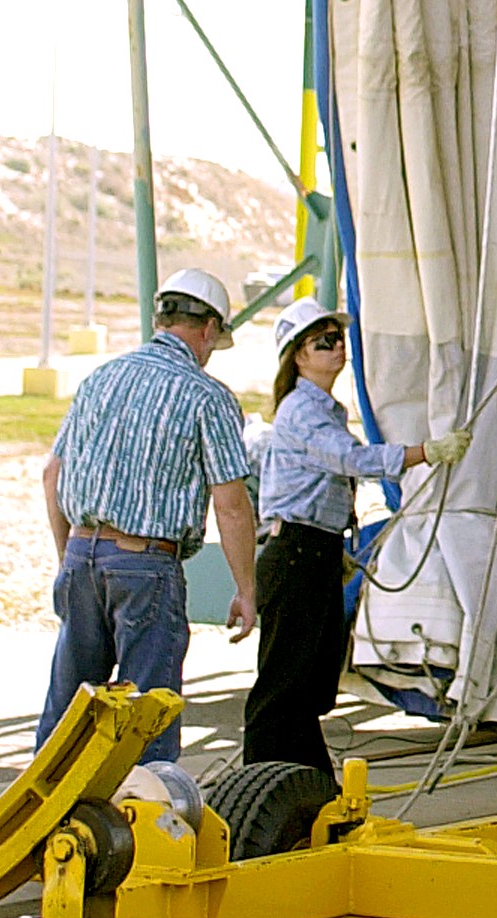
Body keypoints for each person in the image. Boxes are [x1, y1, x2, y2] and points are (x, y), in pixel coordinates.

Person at [241, 297, 472, 776]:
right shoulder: (302, 411)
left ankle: (302, 778)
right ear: (298, 356)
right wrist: (424, 452)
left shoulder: (323, 409)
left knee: (312, 680)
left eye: (339, 339)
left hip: (315, 550)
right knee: (285, 682)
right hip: (297, 551)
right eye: (324, 341)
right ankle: (259, 781)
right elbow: (351, 458)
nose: (337, 348)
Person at [37, 269, 257, 766]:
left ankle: (44, 808)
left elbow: (53, 474)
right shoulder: (207, 396)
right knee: (147, 720)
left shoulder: (100, 378)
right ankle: (143, 808)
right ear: (208, 330)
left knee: (68, 718)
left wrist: (70, 558)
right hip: (146, 563)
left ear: (161, 319)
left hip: (82, 551)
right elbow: (231, 504)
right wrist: (245, 588)